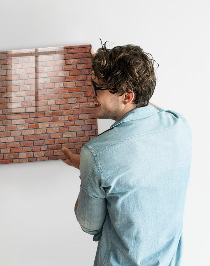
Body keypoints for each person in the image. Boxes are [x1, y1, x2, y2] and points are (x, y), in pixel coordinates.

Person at [61, 43, 192, 265]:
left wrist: (87, 168)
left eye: (97, 88)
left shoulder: (96, 154)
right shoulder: (179, 125)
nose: (89, 93)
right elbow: (145, 106)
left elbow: (89, 224)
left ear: (127, 96)